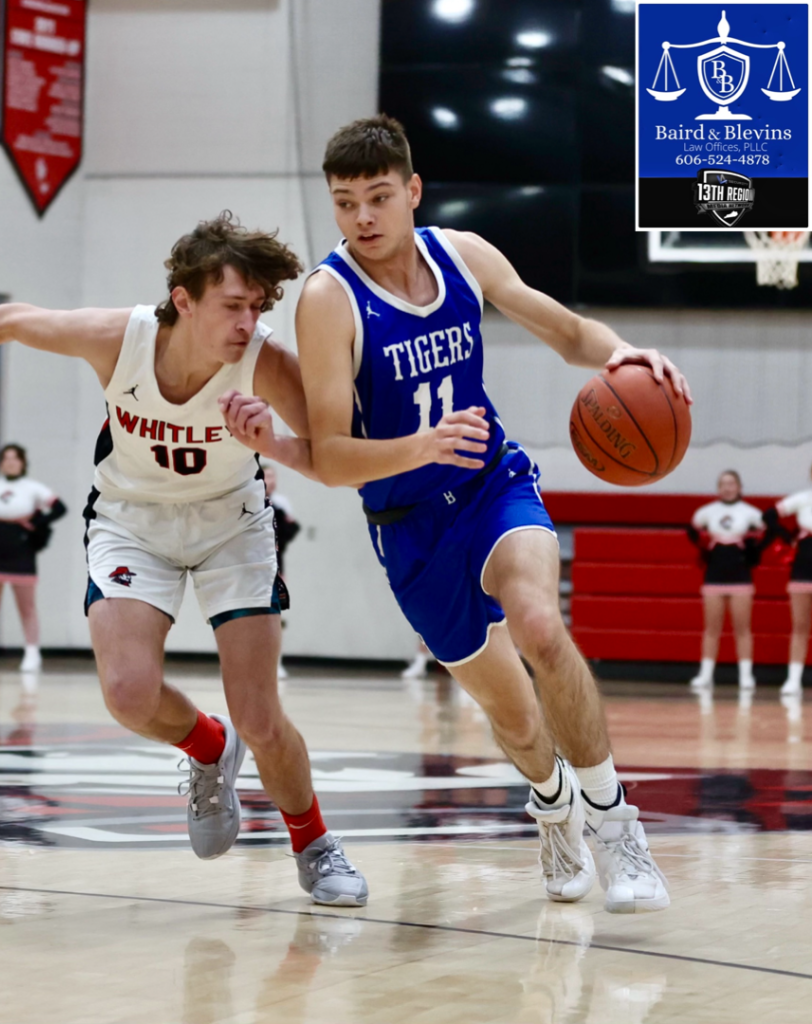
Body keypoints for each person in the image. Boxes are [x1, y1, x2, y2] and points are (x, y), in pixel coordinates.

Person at [0, 212, 368, 907]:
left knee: (261, 716)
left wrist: (276, 445)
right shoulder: (120, 338)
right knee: (129, 694)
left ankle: (314, 844)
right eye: (233, 305)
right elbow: (11, 319)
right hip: (132, 522)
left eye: (257, 307)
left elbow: (338, 460)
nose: (248, 322)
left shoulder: (266, 362)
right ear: (184, 299)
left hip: (232, 527)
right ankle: (208, 747)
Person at [293, 114, 693, 913]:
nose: (362, 217)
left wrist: (623, 354)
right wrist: (420, 446)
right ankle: (552, 804)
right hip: (409, 526)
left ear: (413, 191)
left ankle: (616, 824)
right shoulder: (328, 299)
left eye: (378, 197)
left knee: (540, 625)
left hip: (490, 486)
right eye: (345, 202)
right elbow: (330, 456)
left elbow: (567, 332)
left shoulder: (463, 255)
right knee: (512, 715)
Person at [0, 443, 67, 673]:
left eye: (15, 458)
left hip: (21, 550)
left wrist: (37, 523)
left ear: (23, 463)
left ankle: (32, 653)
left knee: (27, 607)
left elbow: (59, 508)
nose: (10, 462)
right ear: (0, 463)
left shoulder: (33, 488)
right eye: (6, 458)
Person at [687, 471, 764, 692]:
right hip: (714, 576)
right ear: (718, 488)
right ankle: (705, 675)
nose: (727, 487)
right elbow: (693, 532)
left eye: (731, 483)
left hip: (740, 577)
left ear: (739, 487)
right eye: (723, 484)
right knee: (711, 628)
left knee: (743, 628)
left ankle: (746, 675)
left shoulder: (751, 513)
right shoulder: (706, 512)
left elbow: (763, 536)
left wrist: (752, 553)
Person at [774, 466, 812, 695]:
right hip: (803, 569)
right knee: (800, 626)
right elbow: (770, 516)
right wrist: (787, 537)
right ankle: (793, 679)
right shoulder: (802, 498)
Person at [261, 463, 300, 681]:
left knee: (275, 615)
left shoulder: (281, 504)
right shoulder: (247, 501)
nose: (271, 480)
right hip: (251, 566)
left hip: (276, 565)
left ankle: (276, 664)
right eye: (266, 476)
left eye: (273, 476)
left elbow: (289, 532)